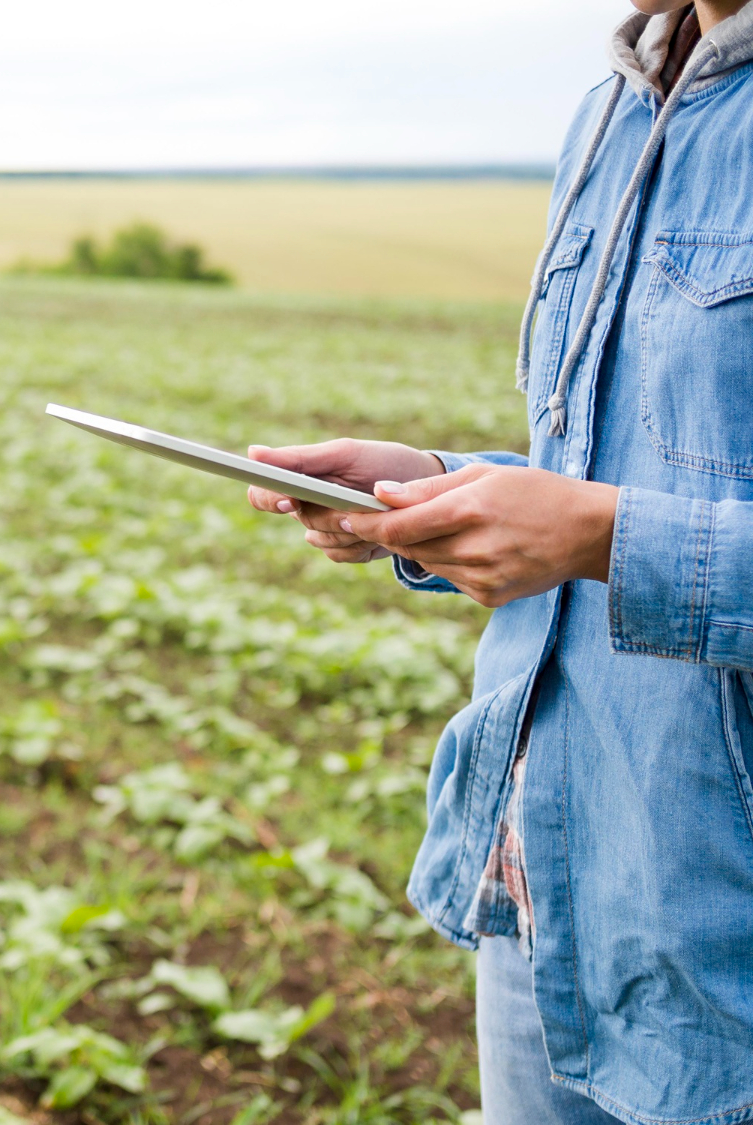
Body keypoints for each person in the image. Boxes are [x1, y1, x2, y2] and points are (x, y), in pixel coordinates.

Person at [246, 3, 753, 1122]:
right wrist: (433, 481)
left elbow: (612, 516)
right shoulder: (612, 111)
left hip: (726, 931)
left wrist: (602, 536)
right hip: (552, 877)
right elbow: (621, 465)